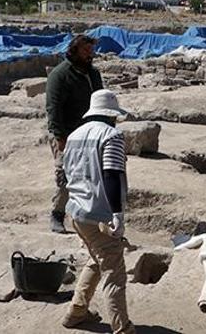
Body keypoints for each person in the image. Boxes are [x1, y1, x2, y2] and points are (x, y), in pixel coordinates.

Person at [61, 89, 136, 333]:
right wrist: (117, 214)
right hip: (100, 213)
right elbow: (111, 174)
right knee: (114, 271)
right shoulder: (111, 135)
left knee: (96, 259)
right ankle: (122, 328)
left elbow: (65, 174)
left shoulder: (73, 136)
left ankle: (76, 312)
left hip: (76, 211)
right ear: (111, 115)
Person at [46, 35, 104, 233]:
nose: (90, 55)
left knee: (92, 175)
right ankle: (57, 214)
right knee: (65, 176)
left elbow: (100, 102)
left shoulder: (93, 74)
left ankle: (85, 217)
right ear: (75, 51)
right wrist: (60, 137)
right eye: (86, 51)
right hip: (67, 134)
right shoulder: (60, 75)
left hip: (90, 133)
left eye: (91, 51)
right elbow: (53, 108)